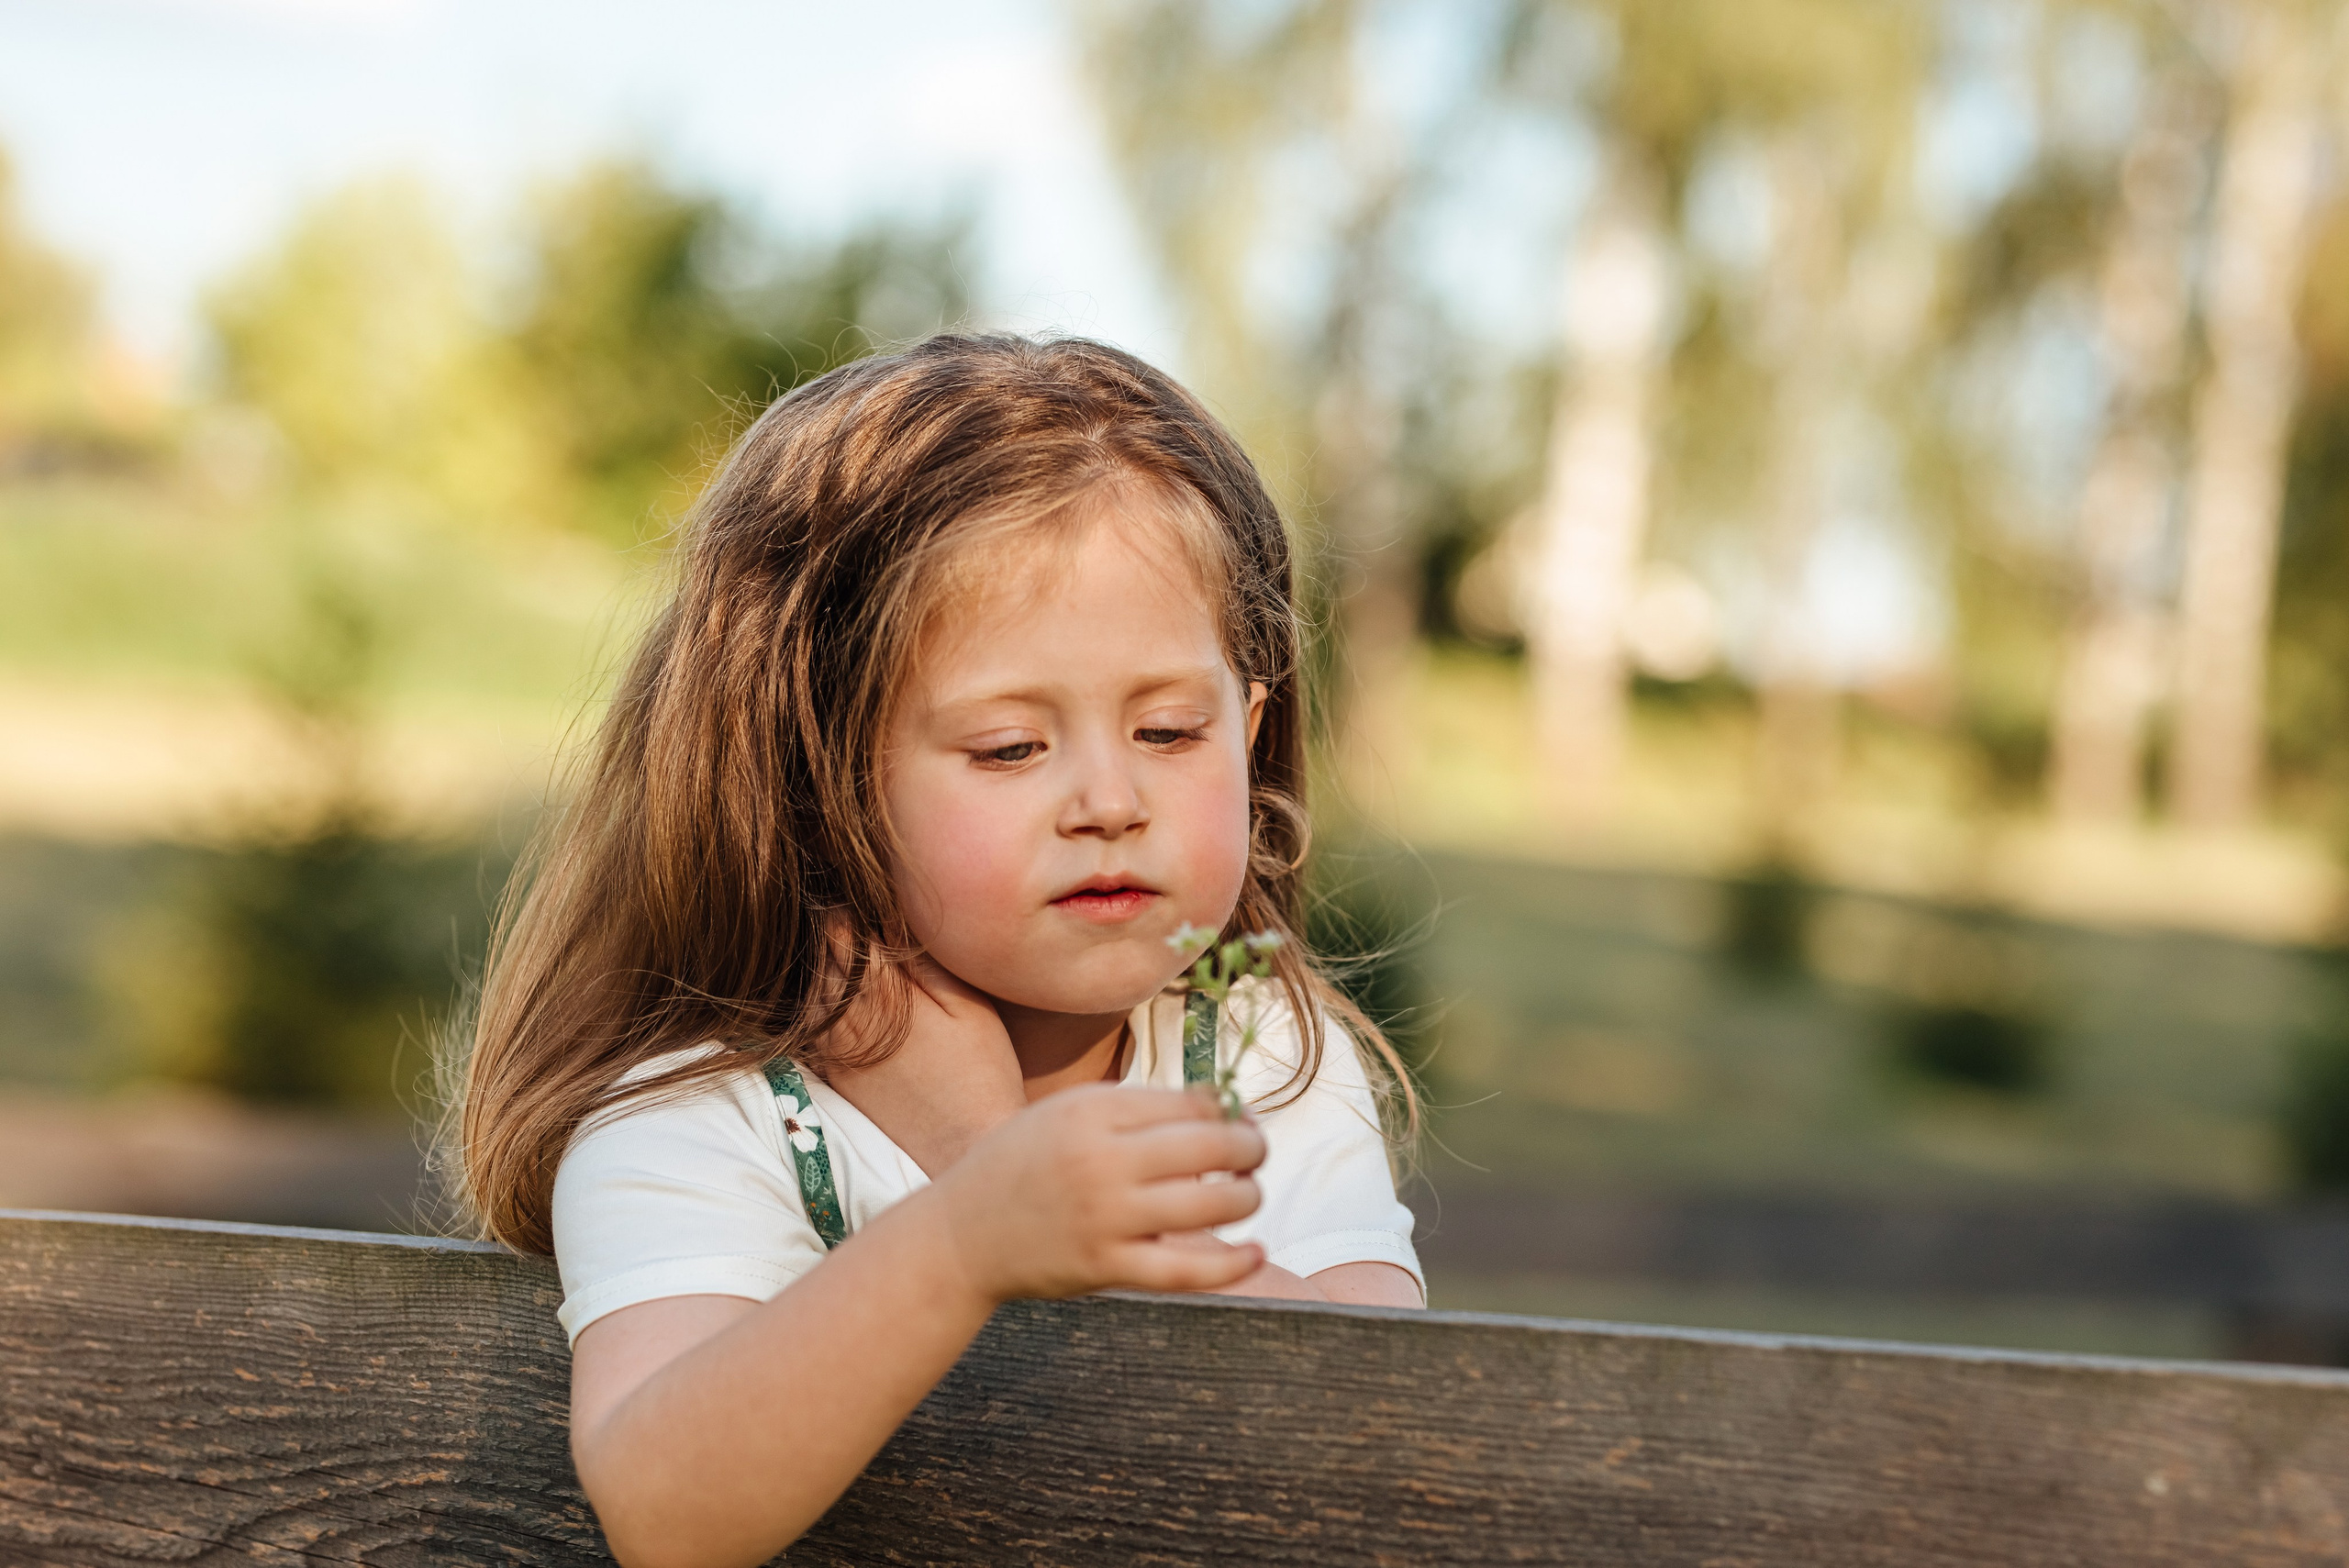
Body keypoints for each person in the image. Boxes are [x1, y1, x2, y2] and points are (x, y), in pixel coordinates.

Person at [451, 333, 1422, 1568]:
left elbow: (1390, 1427)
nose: (1109, 798)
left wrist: (991, 1149)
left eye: (1172, 729)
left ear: (1253, 719)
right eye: (1012, 747)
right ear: (820, 782)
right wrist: (968, 1230)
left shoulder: (1260, 1052)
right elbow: (664, 1507)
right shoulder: (717, 1113)